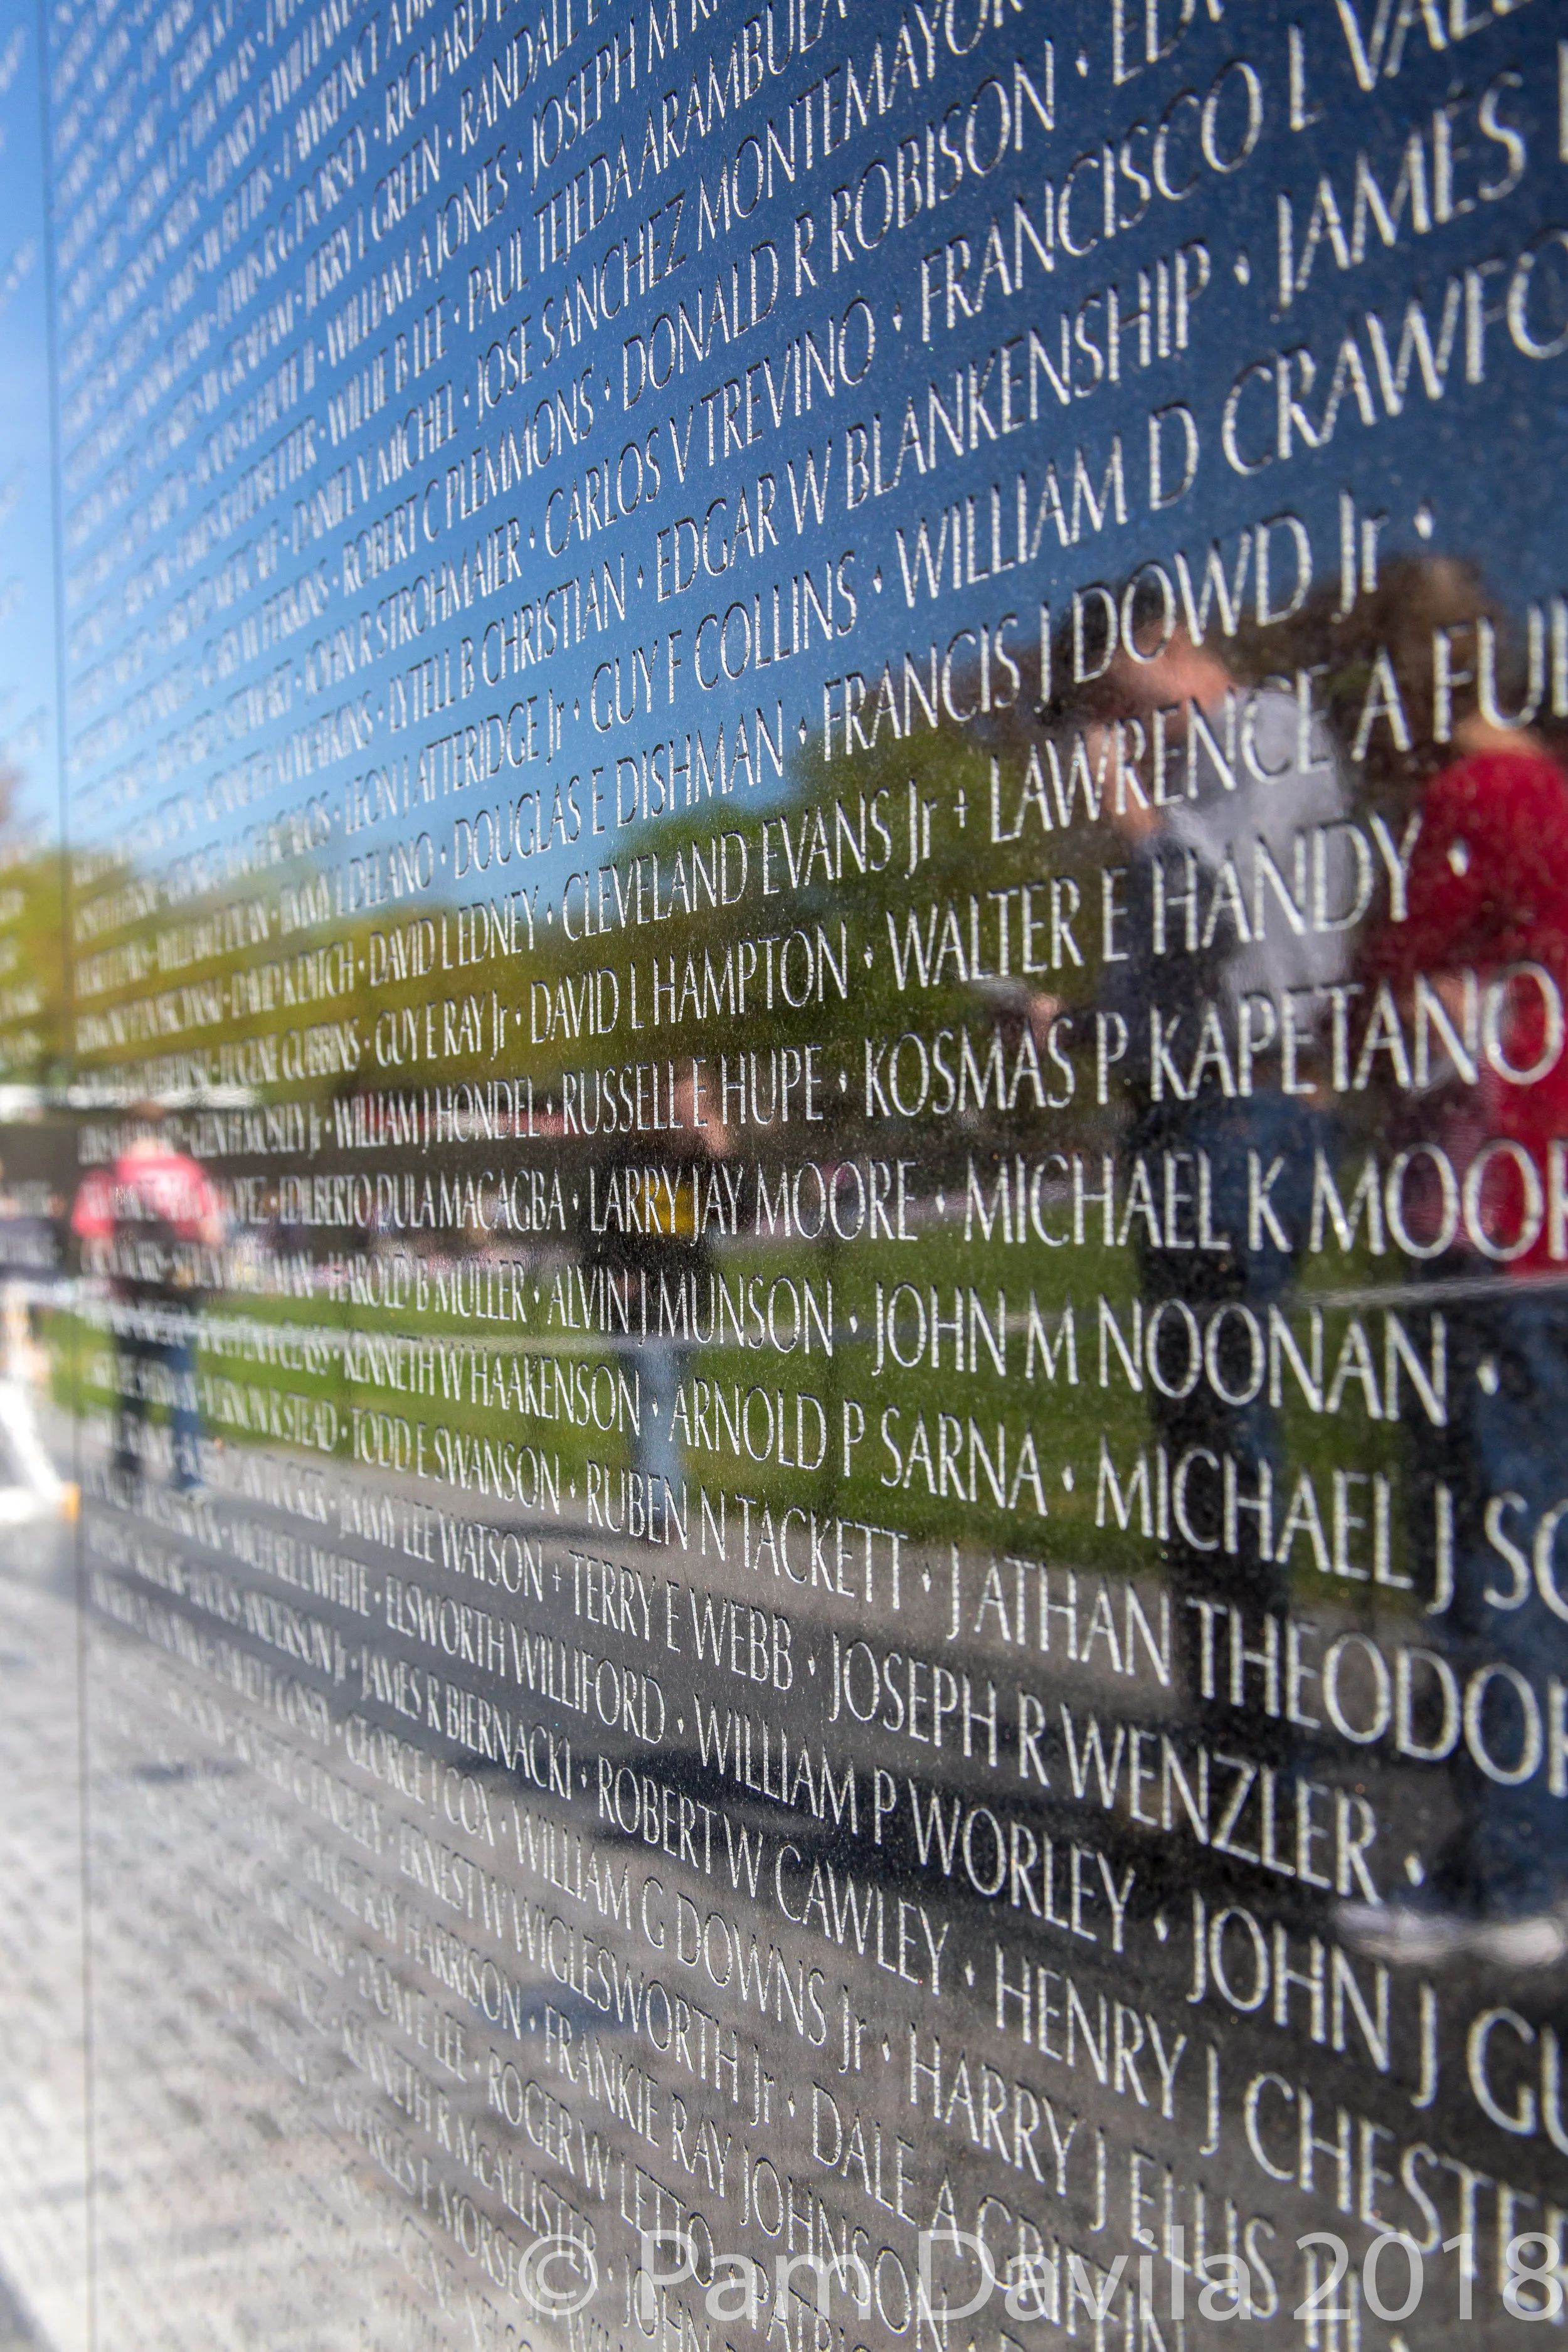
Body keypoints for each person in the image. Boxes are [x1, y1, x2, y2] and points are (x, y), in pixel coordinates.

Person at [72, 1106, 224, 1490]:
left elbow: (96, 1238)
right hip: (178, 1295)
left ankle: (128, 1468)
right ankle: (189, 1477)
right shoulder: (187, 1172)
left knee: (133, 1387)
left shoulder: (116, 1174)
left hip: (131, 1296)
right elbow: (214, 1232)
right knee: (182, 1387)